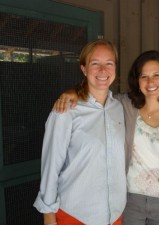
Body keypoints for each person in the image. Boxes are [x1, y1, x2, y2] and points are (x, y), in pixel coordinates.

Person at [54, 50, 159, 225]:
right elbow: (98, 93)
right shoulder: (125, 105)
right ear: (137, 80)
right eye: (144, 76)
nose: (150, 82)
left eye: (156, 75)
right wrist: (73, 92)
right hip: (128, 200)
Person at [34, 39, 127, 225]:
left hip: (114, 214)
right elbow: (51, 165)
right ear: (84, 69)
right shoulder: (65, 110)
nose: (103, 70)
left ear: (115, 68)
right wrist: (48, 214)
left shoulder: (119, 108)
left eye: (109, 63)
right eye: (95, 64)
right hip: (76, 215)